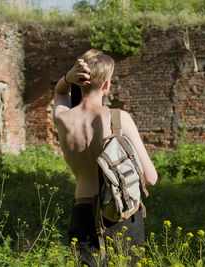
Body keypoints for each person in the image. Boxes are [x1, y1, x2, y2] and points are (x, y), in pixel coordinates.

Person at [53, 49, 158, 266]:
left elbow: (60, 93)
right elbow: (150, 177)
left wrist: (68, 78)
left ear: (79, 82)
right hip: (122, 212)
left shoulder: (63, 119)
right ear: (107, 85)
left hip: (83, 213)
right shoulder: (119, 118)